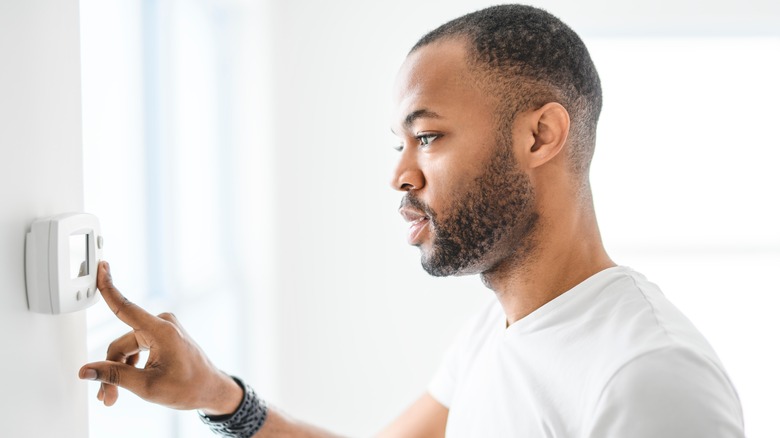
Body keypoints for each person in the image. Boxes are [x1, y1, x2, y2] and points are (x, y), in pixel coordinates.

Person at [79, 4, 745, 437]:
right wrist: (218, 394)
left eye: (427, 137)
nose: (400, 174)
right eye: (398, 143)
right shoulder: (496, 328)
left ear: (540, 136)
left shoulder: (649, 379)